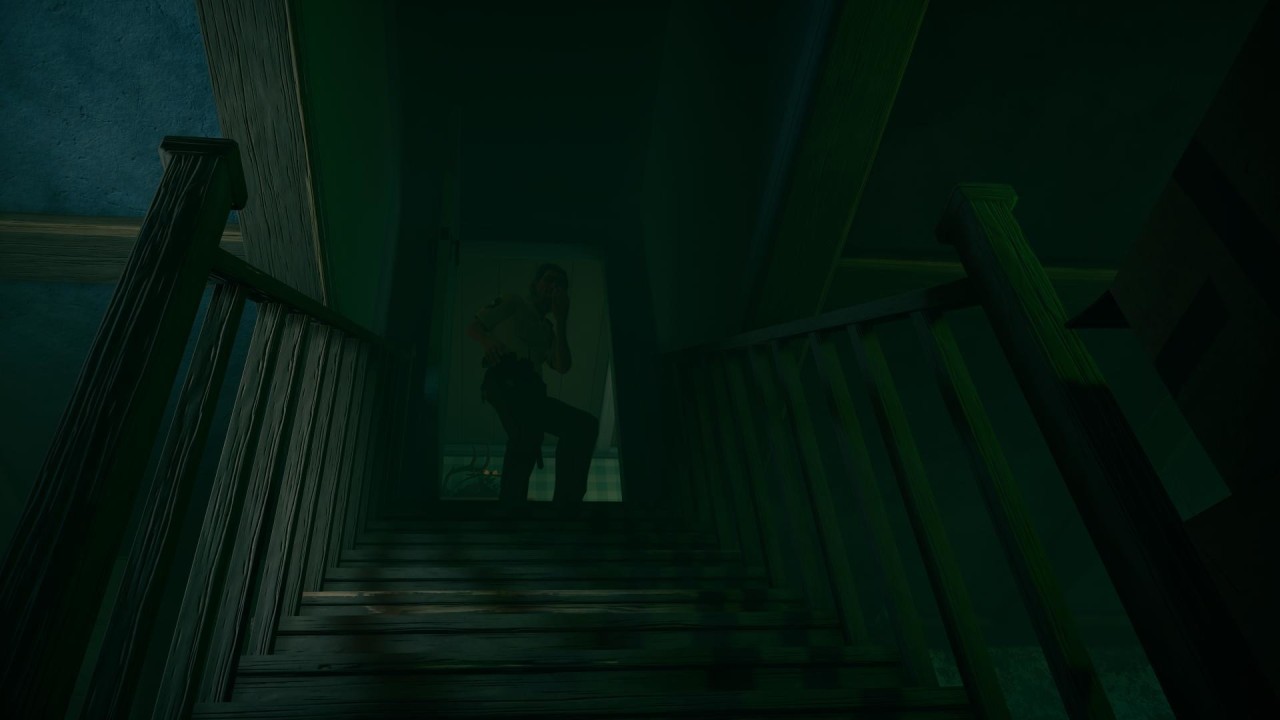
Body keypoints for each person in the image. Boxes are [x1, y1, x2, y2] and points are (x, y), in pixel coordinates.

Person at [465, 263, 599, 513]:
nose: (554, 286)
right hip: (505, 378)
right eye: (549, 280)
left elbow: (562, 366)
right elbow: (474, 326)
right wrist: (488, 341)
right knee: (529, 434)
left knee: (580, 426)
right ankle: (514, 509)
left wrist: (561, 319)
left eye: (560, 284)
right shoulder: (513, 302)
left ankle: (562, 506)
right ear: (536, 284)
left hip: (532, 390)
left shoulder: (547, 329)